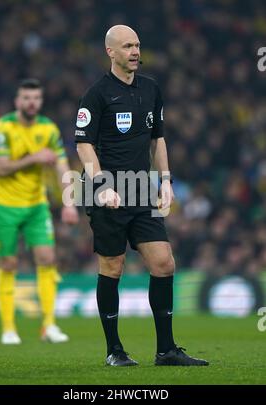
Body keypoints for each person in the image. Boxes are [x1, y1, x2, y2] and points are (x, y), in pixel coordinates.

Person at [75, 25, 209, 366]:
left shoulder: (150, 89)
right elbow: (84, 144)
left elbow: (158, 139)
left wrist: (165, 180)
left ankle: (166, 350)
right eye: (127, 46)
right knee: (113, 266)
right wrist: (101, 186)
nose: (135, 51)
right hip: (108, 193)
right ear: (111, 52)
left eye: (137, 44)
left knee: (164, 263)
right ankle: (114, 351)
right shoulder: (97, 94)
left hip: (141, 190)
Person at [0, 78, 79, 344]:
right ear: (17, 101)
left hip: (36, 206)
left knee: (47, 258)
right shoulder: (2, 127)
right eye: (26, 98)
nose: (31, 102)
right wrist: (35, 158)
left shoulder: (48, 129)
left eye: (36, 98)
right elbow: (1, 167)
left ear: (40, 101)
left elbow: (62, 167)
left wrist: (69, 203)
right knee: (8, 263)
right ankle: (8, 328)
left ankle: (49, 325)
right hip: (4, 206)